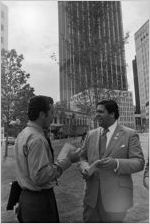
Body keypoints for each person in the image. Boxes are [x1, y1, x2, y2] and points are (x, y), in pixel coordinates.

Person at [79, 99, 145, 223]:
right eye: (96, 111)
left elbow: (139, 162)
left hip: (116, 199)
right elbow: (82, 157)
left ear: (112, 114)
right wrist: (85, 168)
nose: (96, 115)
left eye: (100, 112)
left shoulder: (130, 134)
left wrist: (116, 163)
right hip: (91, 199)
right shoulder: (90, 135)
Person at [15, 95, 77, 223]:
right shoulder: (37, 139)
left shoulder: (23, 134)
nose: (52, 116)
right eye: (52, 112)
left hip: (26, 198)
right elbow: (40, 176)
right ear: (42, 114)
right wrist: (67, 160)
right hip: (39, 202)